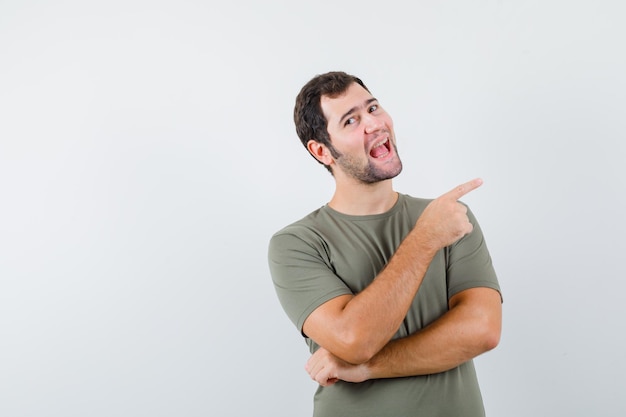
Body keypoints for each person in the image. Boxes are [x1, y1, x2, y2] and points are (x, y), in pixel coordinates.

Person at [267, 71, 502, 417]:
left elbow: (482, 330)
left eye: (373, 108)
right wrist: (424, 239)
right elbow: (353, 339)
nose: (373, 124)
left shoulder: (449, 217)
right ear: (321, 151)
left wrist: (367, 368)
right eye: (351, 120)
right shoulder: (297, 244)